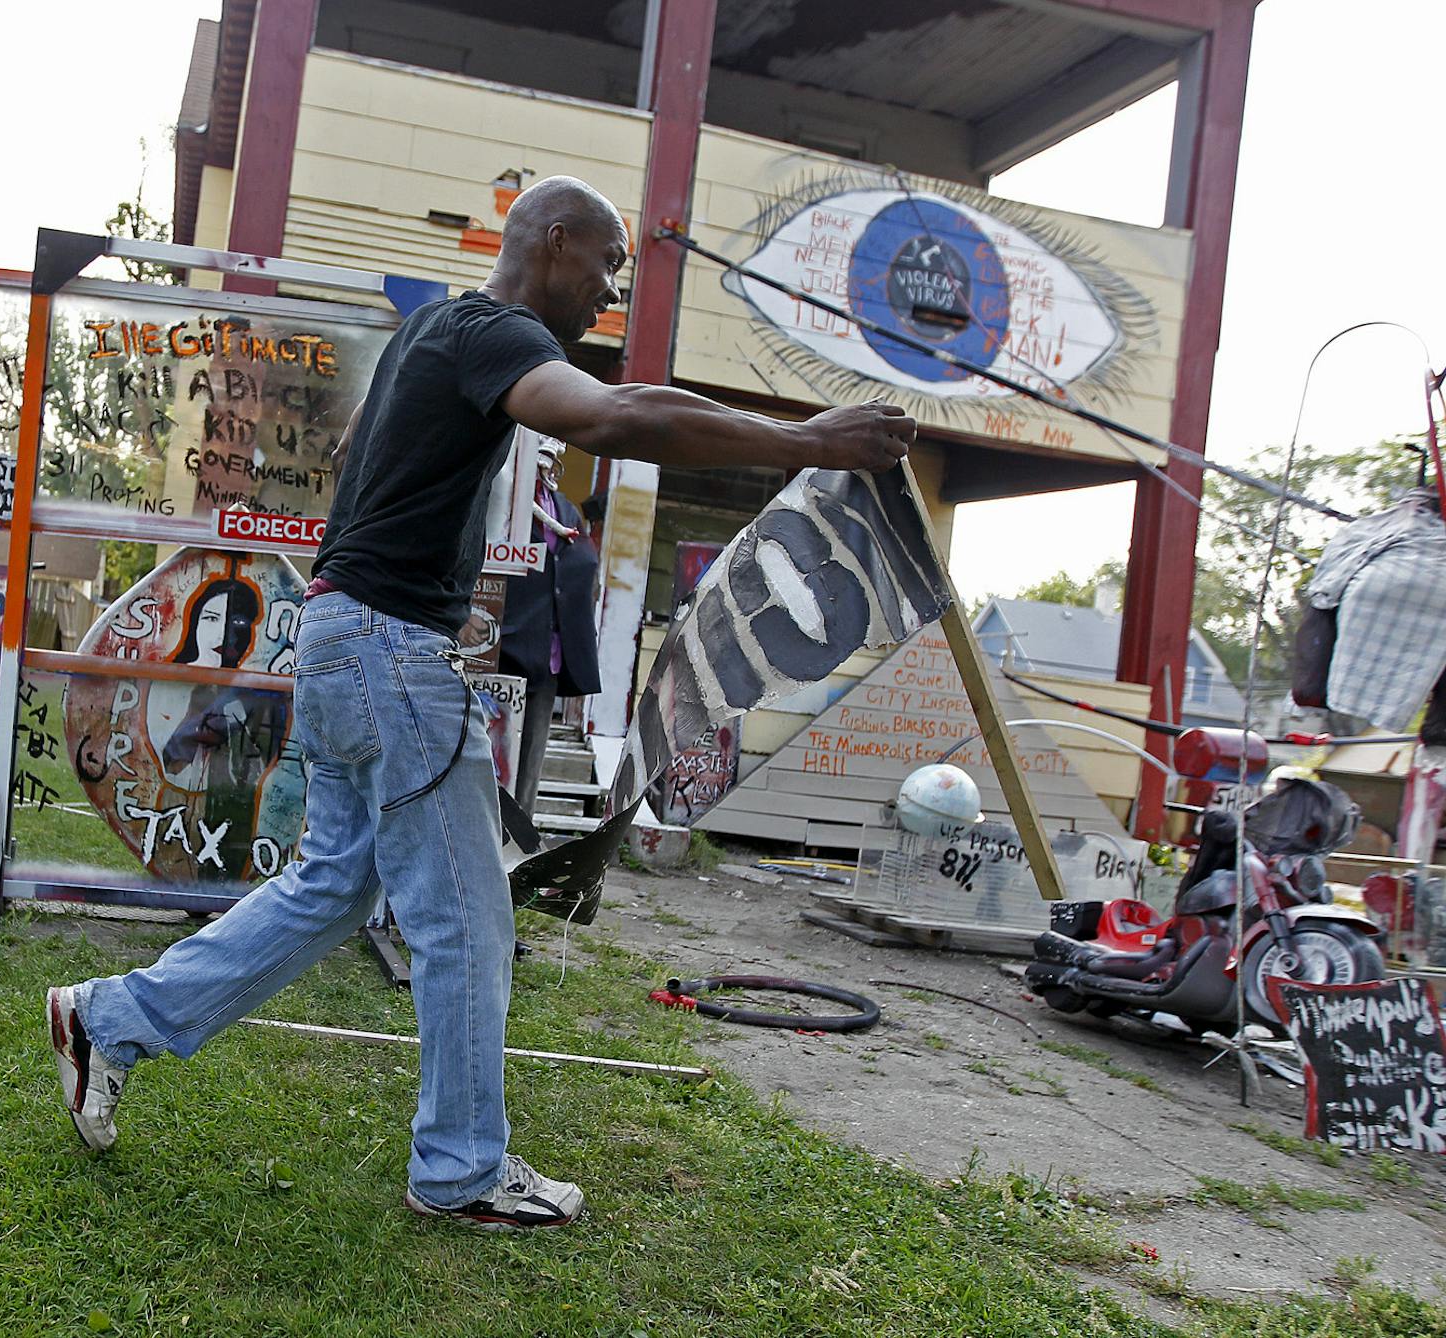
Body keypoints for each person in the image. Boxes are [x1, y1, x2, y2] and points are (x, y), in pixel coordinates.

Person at [48, 175, 914, 1230]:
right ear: (552, 242)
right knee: (465, 920)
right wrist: (808, 440)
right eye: (605, 263)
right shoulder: (493, 334)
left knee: (331, 892)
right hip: (386, 652)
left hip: (339, 636)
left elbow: (359, 438)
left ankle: (112, 1018)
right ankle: (461, 1171)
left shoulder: (432, 333)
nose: (610, 292)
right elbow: (612, 415)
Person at [501, 439, 600, 815]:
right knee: (491, 756)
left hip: (549, 653)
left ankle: (516, 849)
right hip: (503, 648)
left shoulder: (565, 510)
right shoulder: (503, 498)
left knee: (529, 767)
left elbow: (579, 569)